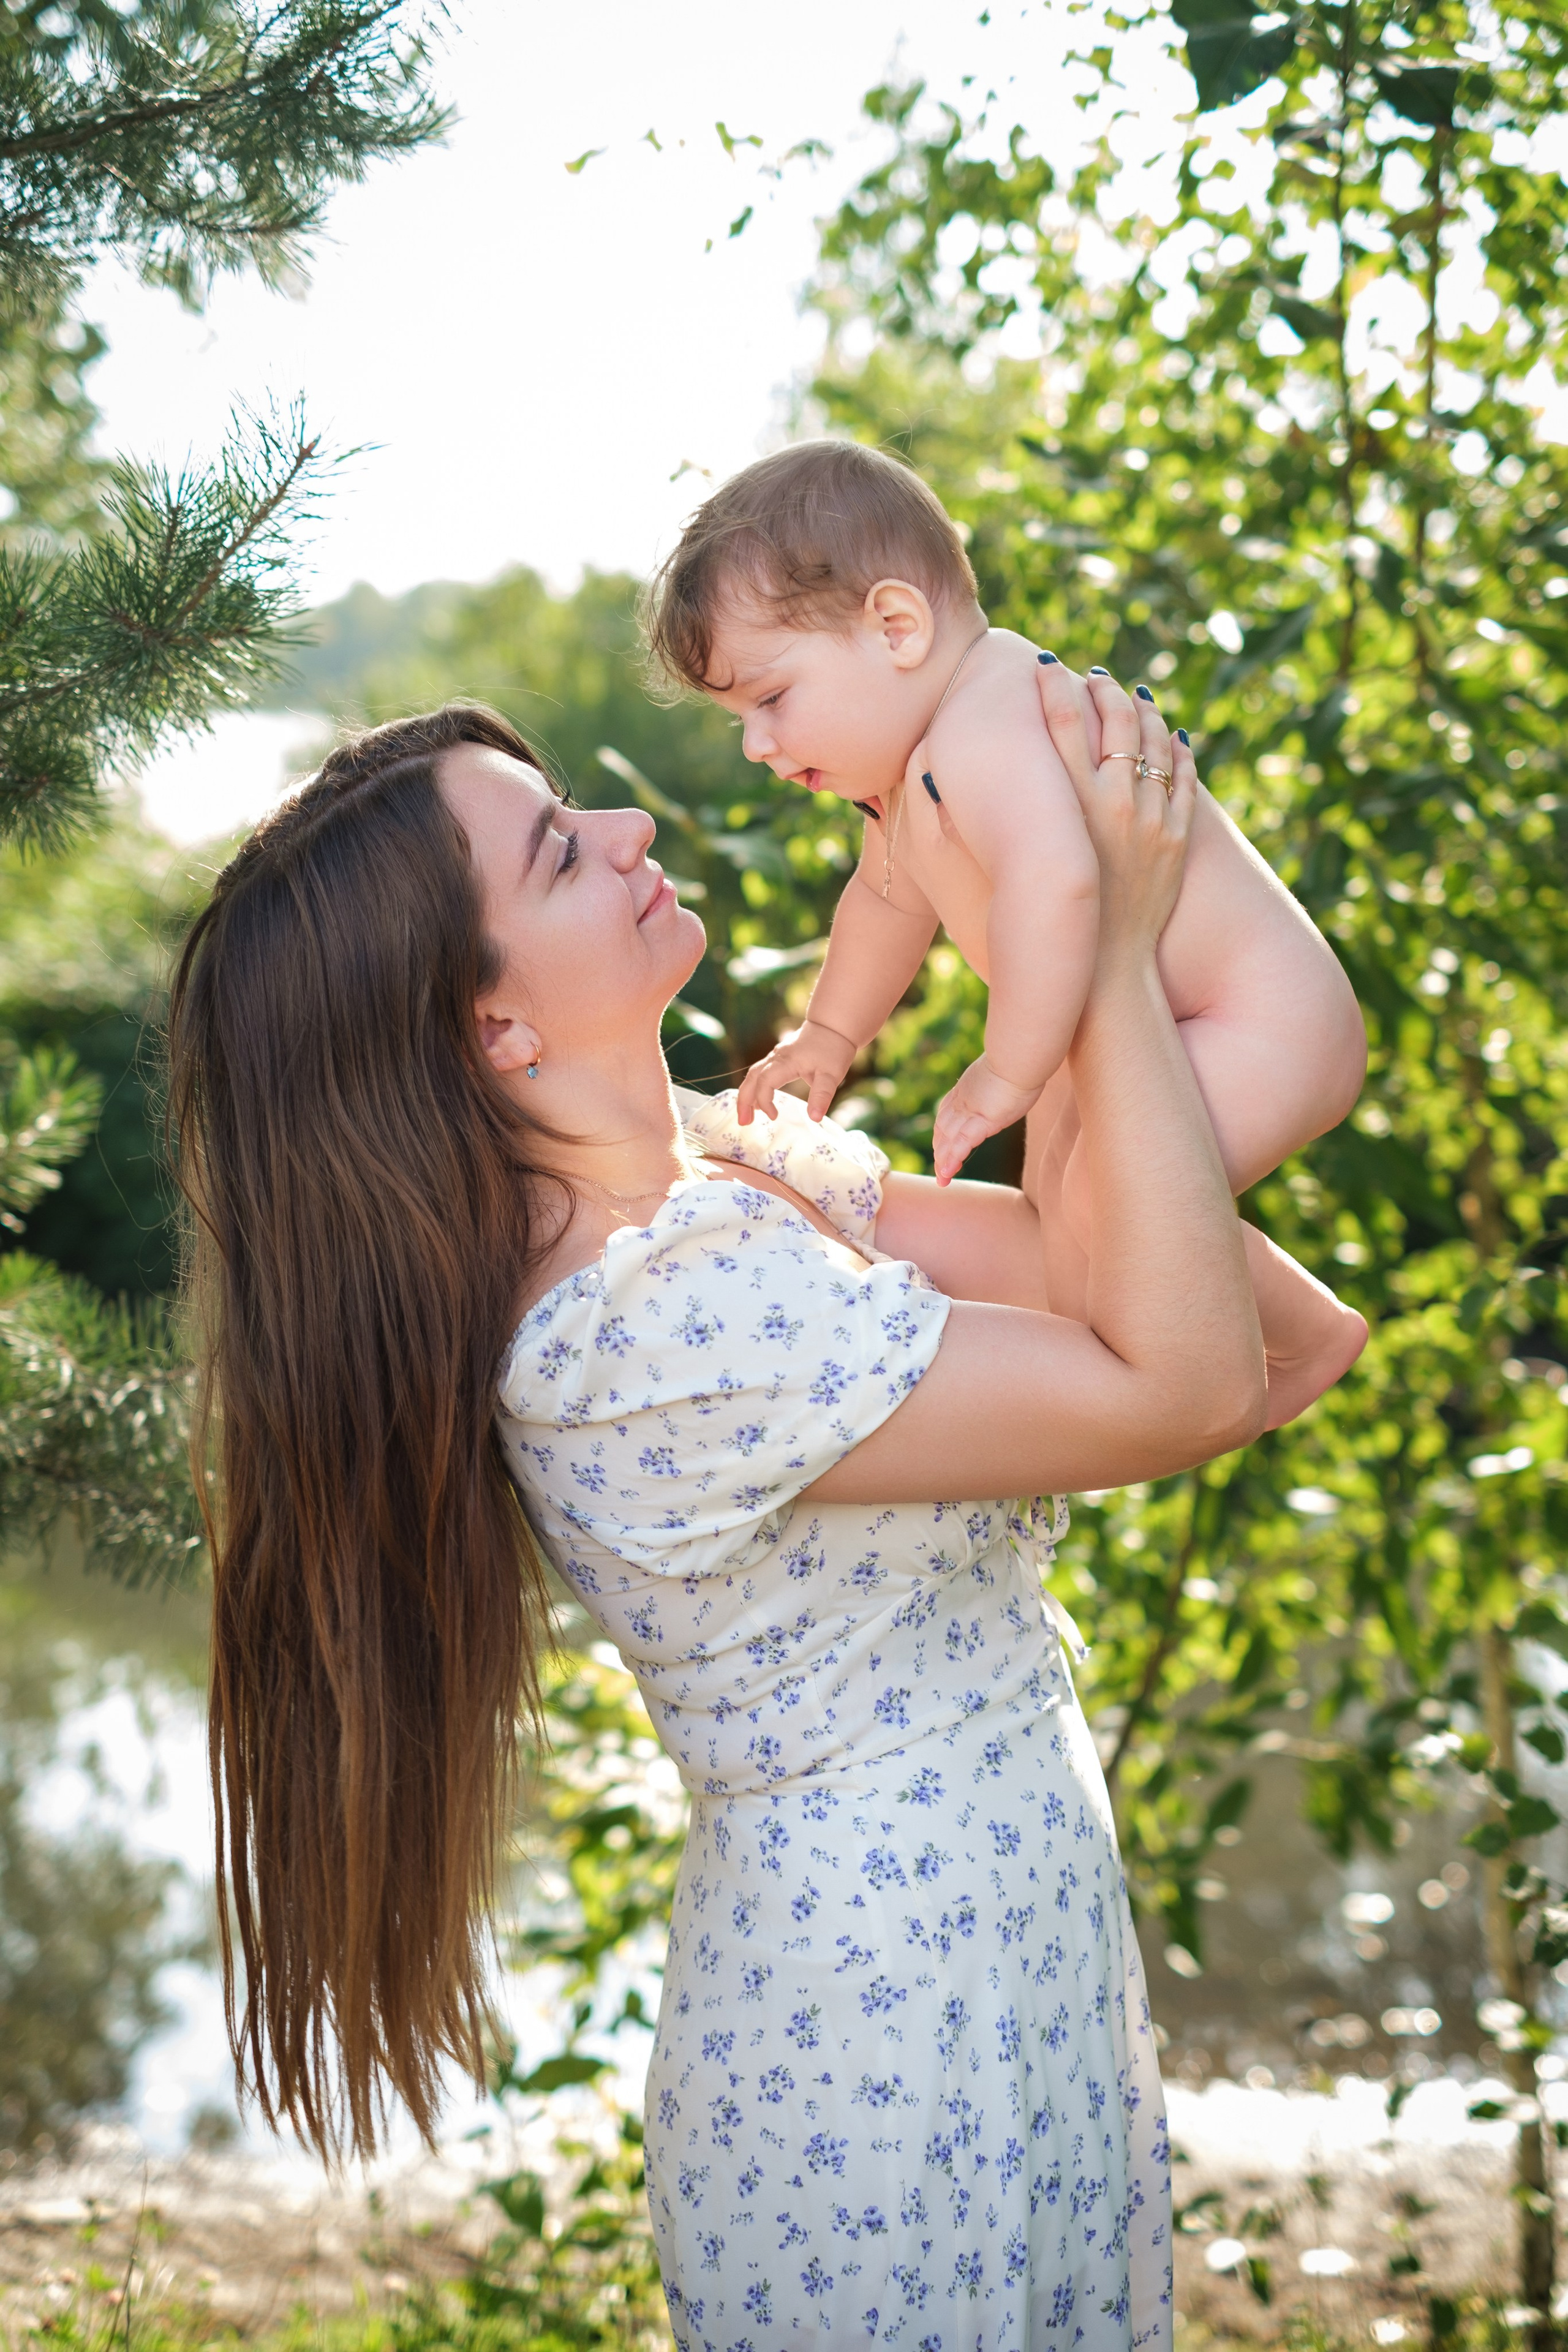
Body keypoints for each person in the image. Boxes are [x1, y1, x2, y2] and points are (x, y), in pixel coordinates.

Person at [167, 676, 1264, 2348]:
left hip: (1008, 1960)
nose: (632, 828)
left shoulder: (738, 1184)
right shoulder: (649, 1323)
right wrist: (1102, 963)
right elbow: (1188, 1385)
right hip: (878, 2061)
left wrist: (1045, 910)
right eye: (557, 851)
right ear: (493, 1030)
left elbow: (1270, 1334)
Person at [647, 438, 1368, 1428]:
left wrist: (1007, 1072)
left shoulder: (987, 718)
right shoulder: (913, 768)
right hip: (1160, 1019)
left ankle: (1308, 1338)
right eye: (740, 718)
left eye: (770, 698)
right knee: (1067, 1240)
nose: (759, 743)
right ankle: (1203, 1361)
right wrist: (830, 1036)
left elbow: (1060, 882)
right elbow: (885, 904)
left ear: (897, 625)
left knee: (1100, 1209)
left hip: (1261, 1020)